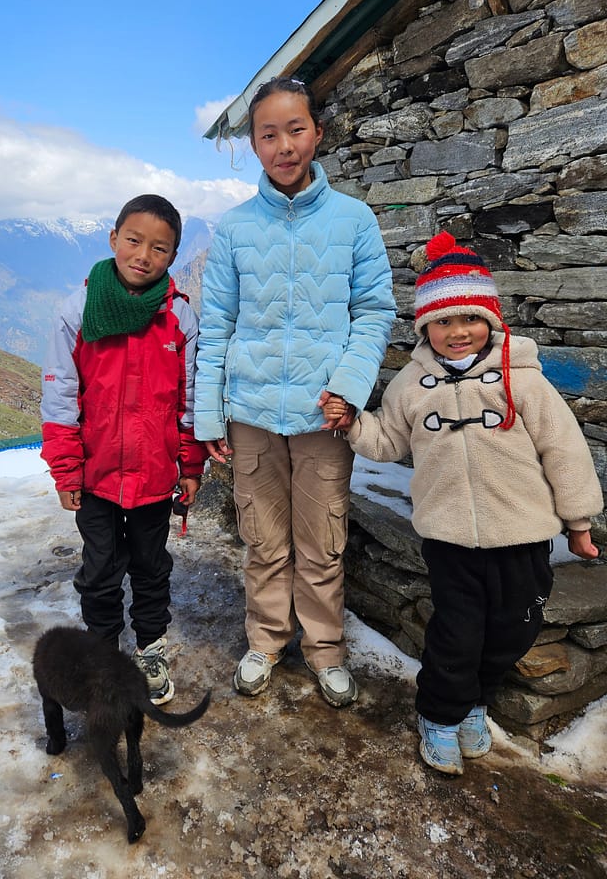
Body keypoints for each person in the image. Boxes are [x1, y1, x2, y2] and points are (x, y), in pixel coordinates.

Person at [328, 231, 603, 772]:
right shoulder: (412, 385)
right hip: (450, 537)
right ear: (425, 327)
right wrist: (355, 424)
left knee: (514, 627)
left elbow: (564, 450)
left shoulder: (522, 381)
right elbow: (389, 442)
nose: (458, 332)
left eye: (470, 319)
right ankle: (440, 713)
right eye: (444, 321)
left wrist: (578, 522)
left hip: (522, 534)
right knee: (456, 631)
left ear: (492, 320)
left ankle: (475, 701)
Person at [194, 76, 396, 708]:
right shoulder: (233, 230)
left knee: (322, 538)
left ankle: (326, 649)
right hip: (250, 411)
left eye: (296, 129)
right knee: (262, 537)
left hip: (322, 414)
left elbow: (374, 312)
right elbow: (216, 327)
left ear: (318, 133)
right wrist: (208, 418)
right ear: (252, 144)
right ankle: (266, 640)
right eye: (268, 134)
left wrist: (350, 387)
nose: (284, 144)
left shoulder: (353, 221)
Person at [40, 194, 207, 705]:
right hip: (96, 477)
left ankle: (150, 647)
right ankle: (103, 654)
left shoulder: (179, 317)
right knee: (100, 569)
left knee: (151, 566)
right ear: (113, 239)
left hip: (156, 476)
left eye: (160, 247)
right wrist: (66, 470)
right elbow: (61, 393)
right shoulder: (77, 309)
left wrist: (190, 465)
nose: (143, 254)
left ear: (173, 256)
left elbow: (190, 397)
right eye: (133, 240)